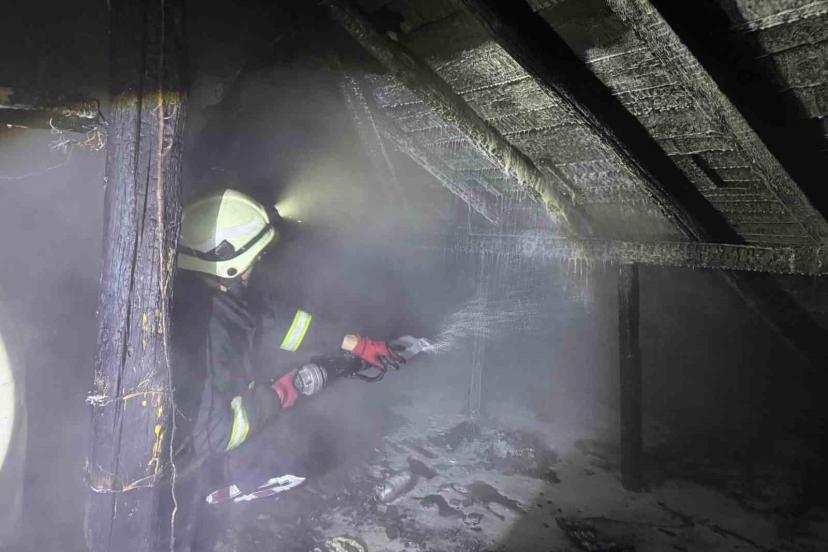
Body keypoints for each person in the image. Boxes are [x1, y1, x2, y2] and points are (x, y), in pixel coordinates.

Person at [169, 189, 406, 545]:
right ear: (227, 261)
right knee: (291, 457)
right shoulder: (208, 329)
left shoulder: (223, 299)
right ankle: (231, 499)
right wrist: (284, 391)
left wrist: (355, 343)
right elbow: (217, 434)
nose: (258, 265)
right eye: (254, 257)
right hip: (191, 458)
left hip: (212, 426)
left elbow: (285, 324)